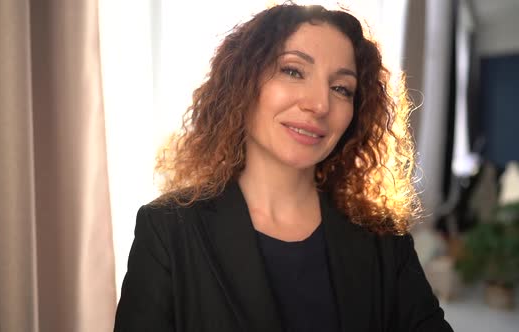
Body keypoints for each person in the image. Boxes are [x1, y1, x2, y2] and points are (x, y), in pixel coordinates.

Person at [114, 3, 453, 331]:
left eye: (341, 88)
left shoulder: (383, 240)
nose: (320, 104)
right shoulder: (167, 229)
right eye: (293, 71)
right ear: (242, 84)